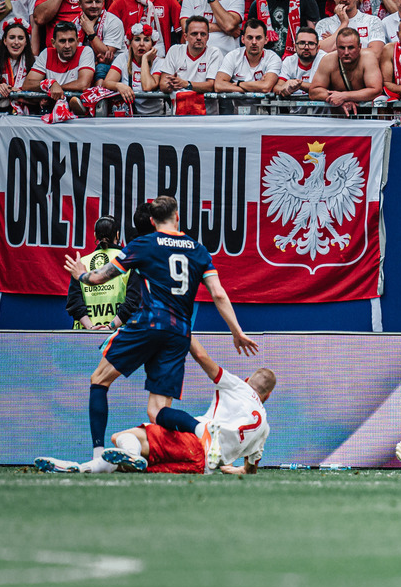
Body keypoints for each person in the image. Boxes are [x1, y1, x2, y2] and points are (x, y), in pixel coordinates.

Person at [59, 195, 259, 475]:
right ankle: (202, 428)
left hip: (148, 326)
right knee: (157, 412)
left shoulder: (143, 244)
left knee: (99, 380)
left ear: (152, 221)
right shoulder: (198, 250)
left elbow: (99, 278)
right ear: (178, 217)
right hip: (180, 334)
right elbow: (218, 293)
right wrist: (236, 332)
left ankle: (97, 456)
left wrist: (81, 274)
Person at [37, 337, 273, 476]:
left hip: (195, 441)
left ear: (247, 380)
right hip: (202, 467)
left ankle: (102, 462)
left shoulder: (237, 385)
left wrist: (183, 326)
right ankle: (85, 468)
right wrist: (232, 469)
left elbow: (202, 357)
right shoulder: (264, 425)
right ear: (268, 395)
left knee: (122, 437)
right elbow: (250, 468)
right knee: (129, 463)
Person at [65, 216, 140, 331]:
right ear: (117, 235)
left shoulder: (82, 263)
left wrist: (91, 328)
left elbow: (74, 303)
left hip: (84, 338)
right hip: (118, 336)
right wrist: (110, 327)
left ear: (95, 235)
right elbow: (133, 302)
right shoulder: (128, 261)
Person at [308, 26, 383, 116]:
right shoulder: (328, 60)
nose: (346, 52)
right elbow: (314, 92)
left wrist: (344, 96)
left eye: (351, 48)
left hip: (367, 118)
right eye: (342, 48)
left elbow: (376, 90)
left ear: (359, 47)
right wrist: (338, 100)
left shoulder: (368, 57)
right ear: (336, 47)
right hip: (338, 118)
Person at [159, 15, 222, 112]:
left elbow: (211, 85)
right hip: (178, 114)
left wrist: (186, 84)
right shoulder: (175, 50)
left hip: (207, 117)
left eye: (203, 34)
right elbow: (163, 84)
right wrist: (171, 84)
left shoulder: (214, 53)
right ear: (185, 36)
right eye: (194, 34)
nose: (199, 37)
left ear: (208, 37)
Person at [22, 20, 95, 100]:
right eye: (62, 41)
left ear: (77, 42)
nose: (67, 46)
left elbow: (83, 84)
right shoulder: (47, 53)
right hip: (52, 107)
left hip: (78, 108)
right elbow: (27, 85)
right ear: (53, 43)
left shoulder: (85, 51)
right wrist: (50, 84)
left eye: (71, 40)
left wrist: (56, 87)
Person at [316, 0, 384, 56]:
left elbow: (375, 54)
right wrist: (344, 23)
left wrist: (335, 44)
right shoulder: (323, 24)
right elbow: (318, 53)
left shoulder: (373, 21)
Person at [103, 24, 164, 116]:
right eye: (137, 39)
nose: (142, 44)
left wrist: (144, 59)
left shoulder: (159, 62)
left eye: (147, 40)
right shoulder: (122, 58)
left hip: (155, 116)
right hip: (130, 116)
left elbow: (147, 86)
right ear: (130, 43)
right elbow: (106, 83)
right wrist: (118, 85)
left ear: (152, 44)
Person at [215, 18, 281, 93]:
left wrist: (239, 84)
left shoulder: (273, 58)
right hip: (237, 104)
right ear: (242, 39)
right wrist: (254, 87)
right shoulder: (233, 56)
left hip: (263, 104)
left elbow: (266, 87)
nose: (254, 42)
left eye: (258, 38)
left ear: (266, 40)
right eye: (250, 38)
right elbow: (218, 85)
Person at [77, 0, 126, 82]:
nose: (94, 5)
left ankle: (99, 96)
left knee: (101, 67)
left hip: (112, 67)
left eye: (98, 2)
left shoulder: (113, 22)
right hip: (88, 65)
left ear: (103, 3)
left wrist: (90, 32)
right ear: (80, 4)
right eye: (89, 2)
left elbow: (105, 55)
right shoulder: (75, 23)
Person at [275, 26, 322, 96]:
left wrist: (299, 84)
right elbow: (277, 88)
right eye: (302, 43)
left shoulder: (325, 59)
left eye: (311, 44)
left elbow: (326, 89)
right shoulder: (289, 61)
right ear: (294, 47)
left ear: (318, 48)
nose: (306, 47)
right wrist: (284, 87)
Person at [0, 20, 34, 108]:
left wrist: (21, 93)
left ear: (26, 42)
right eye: (12, 37)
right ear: (5, 41)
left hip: (26, 115)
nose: (16, 42)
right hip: (1, 113)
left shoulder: (35, 63)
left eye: (20, 38)